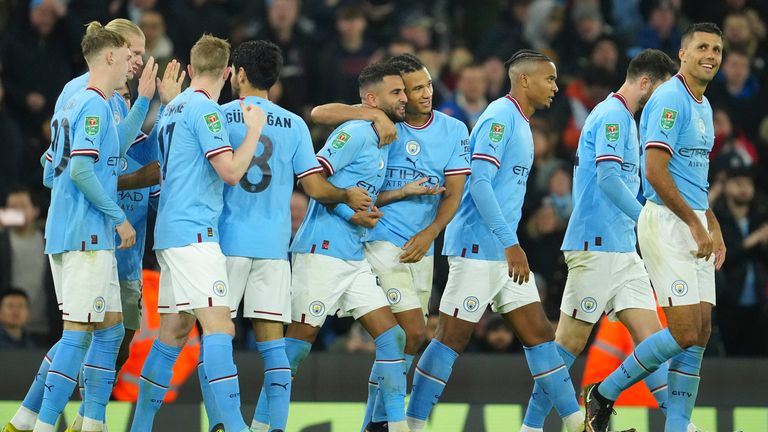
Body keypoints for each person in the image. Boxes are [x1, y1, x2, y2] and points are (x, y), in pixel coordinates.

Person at [405, 49, 588, 432]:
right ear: (524, 79)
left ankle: (575, 422)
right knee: (450, 339)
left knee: (540, 335)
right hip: (478, 247)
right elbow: (480, 183)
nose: (556, 87)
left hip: (500, 252)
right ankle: (411, 424)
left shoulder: (520, 121)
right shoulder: (499, 117)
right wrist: (511, 243)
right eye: (549, 79)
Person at [310, 52, 471, 432]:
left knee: (404, 343)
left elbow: (454, 193)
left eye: (427, 84)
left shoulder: (453, 130)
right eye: (414, 89)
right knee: (410, 333)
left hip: (422, 246)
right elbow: (319, 113)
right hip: (381, 240)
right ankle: (386, 424)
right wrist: (373, 114)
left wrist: (430, 233)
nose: (425, 93)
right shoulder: (385, 120)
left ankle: (373, 423)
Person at [520, 49, 679, 432]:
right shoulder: (612, 116)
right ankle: (530, 427)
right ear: (645, 83)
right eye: (662, 91)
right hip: (594, 248)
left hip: (623, 251)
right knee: (567, 347)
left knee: (654, 343)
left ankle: (679, 425)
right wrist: (647, 218)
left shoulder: (628, 119)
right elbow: (608, 179)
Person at [216, 40, 371, 432]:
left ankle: (224, 424)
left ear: (240, 74)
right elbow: (316, 189)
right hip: (273, 248)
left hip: (226, 243)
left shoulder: (218, 117)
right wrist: (346, 196)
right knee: (274, 347)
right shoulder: (295, 123)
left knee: (217, 340)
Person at [584, 23, 726, 432]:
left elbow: (696, 176)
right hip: (666, 221)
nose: (710, 55)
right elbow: (656, 172)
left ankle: (678, 426)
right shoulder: (669, 99)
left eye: (716, 49)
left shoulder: (704, 104)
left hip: (692, 219)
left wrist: (711, 223)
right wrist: (693, 225)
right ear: (682, 54)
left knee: (700, 331)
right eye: (702, 47)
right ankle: (604, 393)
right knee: (682, 330)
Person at [128, 35, 266, 432]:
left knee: (173, 332)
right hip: (195, 234)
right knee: (220, 327)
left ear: (189, 70)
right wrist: (254, 129)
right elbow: (231, 172)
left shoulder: (172, 110)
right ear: (227, 73)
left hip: (170, 234)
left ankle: (140, 427)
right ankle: (235, 427)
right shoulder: (207, 111)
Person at [31, 18, 160, 432]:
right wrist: (117, 214)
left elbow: (52, 167)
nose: (135, 63)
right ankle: (44, 424)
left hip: (83, 231)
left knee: (107, 334)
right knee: (77, 334)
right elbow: (82, 171)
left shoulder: (92, 101)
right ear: (112, 53)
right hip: (87, 231)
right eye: (131, 55)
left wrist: (142, 101)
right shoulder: (88, 99)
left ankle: (90, 424)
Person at [285, 61, 410, 432]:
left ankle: (395, 427)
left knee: (393, 337)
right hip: (321, 251)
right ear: (372, 100)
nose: (403, 98)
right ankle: (262, 424)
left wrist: (402, 192)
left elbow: (363, 196)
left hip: (353, 255)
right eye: (396, 92)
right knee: (297, 348)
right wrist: (347, 211)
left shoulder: (383, 137)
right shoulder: (355, 131)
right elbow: (314, 177)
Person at [712, 158, 768, 357]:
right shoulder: (717, 219)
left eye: (748, 183)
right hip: (729, 303)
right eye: (737, 182)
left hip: (759, 305)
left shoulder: (760, 216)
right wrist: (752, 241)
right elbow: (724, 259)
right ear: (726, 186)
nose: (744, 188)